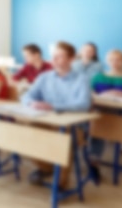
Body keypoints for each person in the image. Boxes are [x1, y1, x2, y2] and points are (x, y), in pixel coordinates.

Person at [21, 41, 91, 188]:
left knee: (63, 139)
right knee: (23, 133)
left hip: (73, 126)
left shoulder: (81, 79)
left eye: (59, 56)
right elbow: (26, 96)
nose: (54, 60)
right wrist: (31, 103)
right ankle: (47, 168)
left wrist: (52, 106)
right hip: (47, 121)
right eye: (53, 56)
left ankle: (60, 182)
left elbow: (84, 105)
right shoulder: (44, 77)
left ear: (71, 59)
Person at [88, 49, 122, 180]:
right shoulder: (98, 77)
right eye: (112, 59)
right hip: (102, 112)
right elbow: (90, 93)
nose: (115, 62)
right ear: (107, 61)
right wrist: (103, 95)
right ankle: (94, 162)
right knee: (99, 125)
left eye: (118, 59)